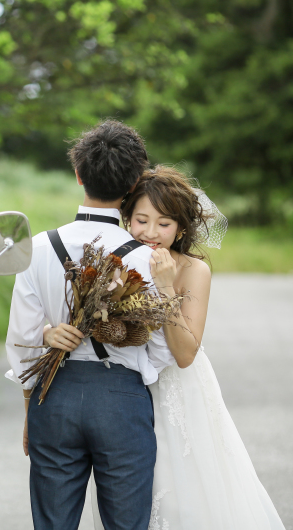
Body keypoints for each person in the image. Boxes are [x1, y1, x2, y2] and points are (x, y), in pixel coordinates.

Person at [44, 166, 285, 529]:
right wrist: (49, 332)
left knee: (183, 497)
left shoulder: (193, 270)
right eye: (141, 220)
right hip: (125, 393)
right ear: (126, 219)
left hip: (177, 393)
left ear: (182, 229)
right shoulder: (114, 259)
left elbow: (186, 354)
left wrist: (166, 286)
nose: (151, 233)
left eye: (164, 224)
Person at [5, 120, 175, 530]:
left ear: (78, 175)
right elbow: (161, 352)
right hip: (122, 402)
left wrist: (33, 410)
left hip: (53, 397)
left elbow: (24, 341)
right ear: (135, 182)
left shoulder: (38, 248)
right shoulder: (147, 260)